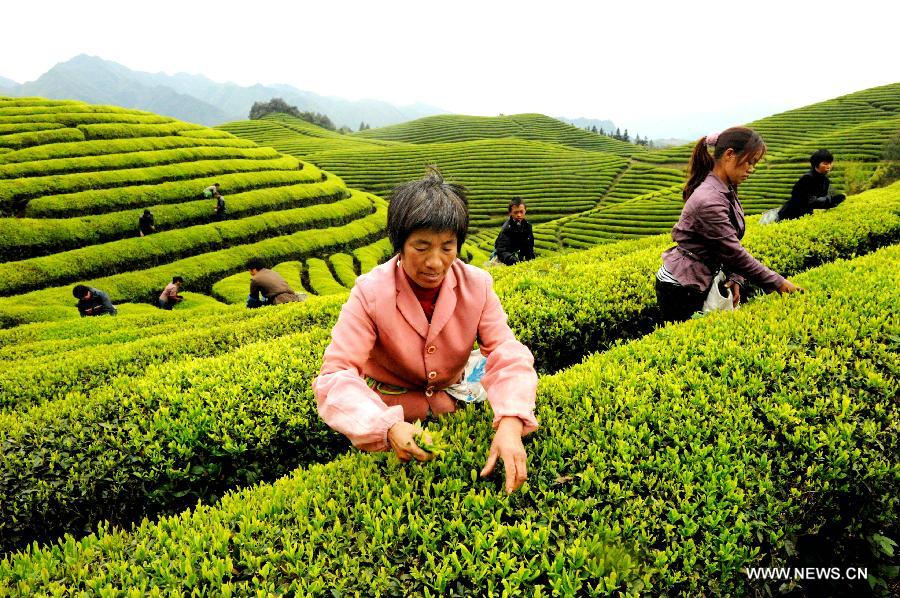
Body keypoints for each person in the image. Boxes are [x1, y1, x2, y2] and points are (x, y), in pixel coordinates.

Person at [313, 169, 538, 494]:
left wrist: (511, 420)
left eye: (448, 247)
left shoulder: (477, 285)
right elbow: (335, 375)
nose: (435, 262)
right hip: (390, 422)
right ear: (399, 244)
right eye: (421, 247)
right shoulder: (370, 292)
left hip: (452, 410)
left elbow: (506, 354)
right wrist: (386, 426)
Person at [655, 127, 804, 323]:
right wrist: (779, 284)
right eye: (749, 161)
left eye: (755, 163)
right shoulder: (709, 199)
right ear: (729, 155)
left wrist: (736, 276)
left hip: (699, 277)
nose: (752, 168)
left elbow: (726, 244)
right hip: (681, 286)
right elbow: (732, 251)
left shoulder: (726, 188)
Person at [777, 149, 846, 221]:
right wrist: (831, 201)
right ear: (816, 164)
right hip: (791, 215)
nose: (829, 166)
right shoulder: (807, 178)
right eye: (825, 164)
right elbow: (808, 201)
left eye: (830, 163)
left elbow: (825, 197)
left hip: (805, 216)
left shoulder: (825, 180)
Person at [493, 197, 536, 265]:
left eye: (521, 212)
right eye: (516, 212)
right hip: (507, 260)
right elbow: (501, 250)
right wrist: (513, 260)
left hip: (520, 260)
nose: (519, 215)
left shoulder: (528, 226)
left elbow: (530, 247)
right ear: (510, 213)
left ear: (525, 211)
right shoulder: (506, 228)